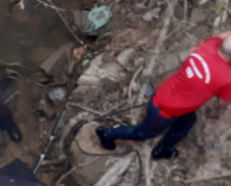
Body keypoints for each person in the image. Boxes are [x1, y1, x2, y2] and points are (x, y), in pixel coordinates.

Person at [96, 34, 231, 159]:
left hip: (168, 94)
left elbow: (224, 36)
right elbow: (222, 103)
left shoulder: (209, 45)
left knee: (188, 121)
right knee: (144, 133)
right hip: (163, 110)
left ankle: (164, 148)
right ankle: (108, 134)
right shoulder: (226, 78)